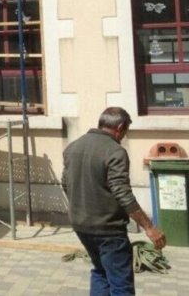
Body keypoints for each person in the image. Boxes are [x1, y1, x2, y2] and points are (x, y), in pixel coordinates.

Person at [61, 107, 166, 295]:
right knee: (120, 284)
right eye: (125, 132)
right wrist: (149, 227)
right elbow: (122, 193)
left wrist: (82, 207)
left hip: (80, 225)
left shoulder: (73, 147)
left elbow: (66, 183)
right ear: (120, 127)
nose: (123, 137)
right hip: (108, 230)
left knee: (101, 271)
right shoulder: (115, 151)